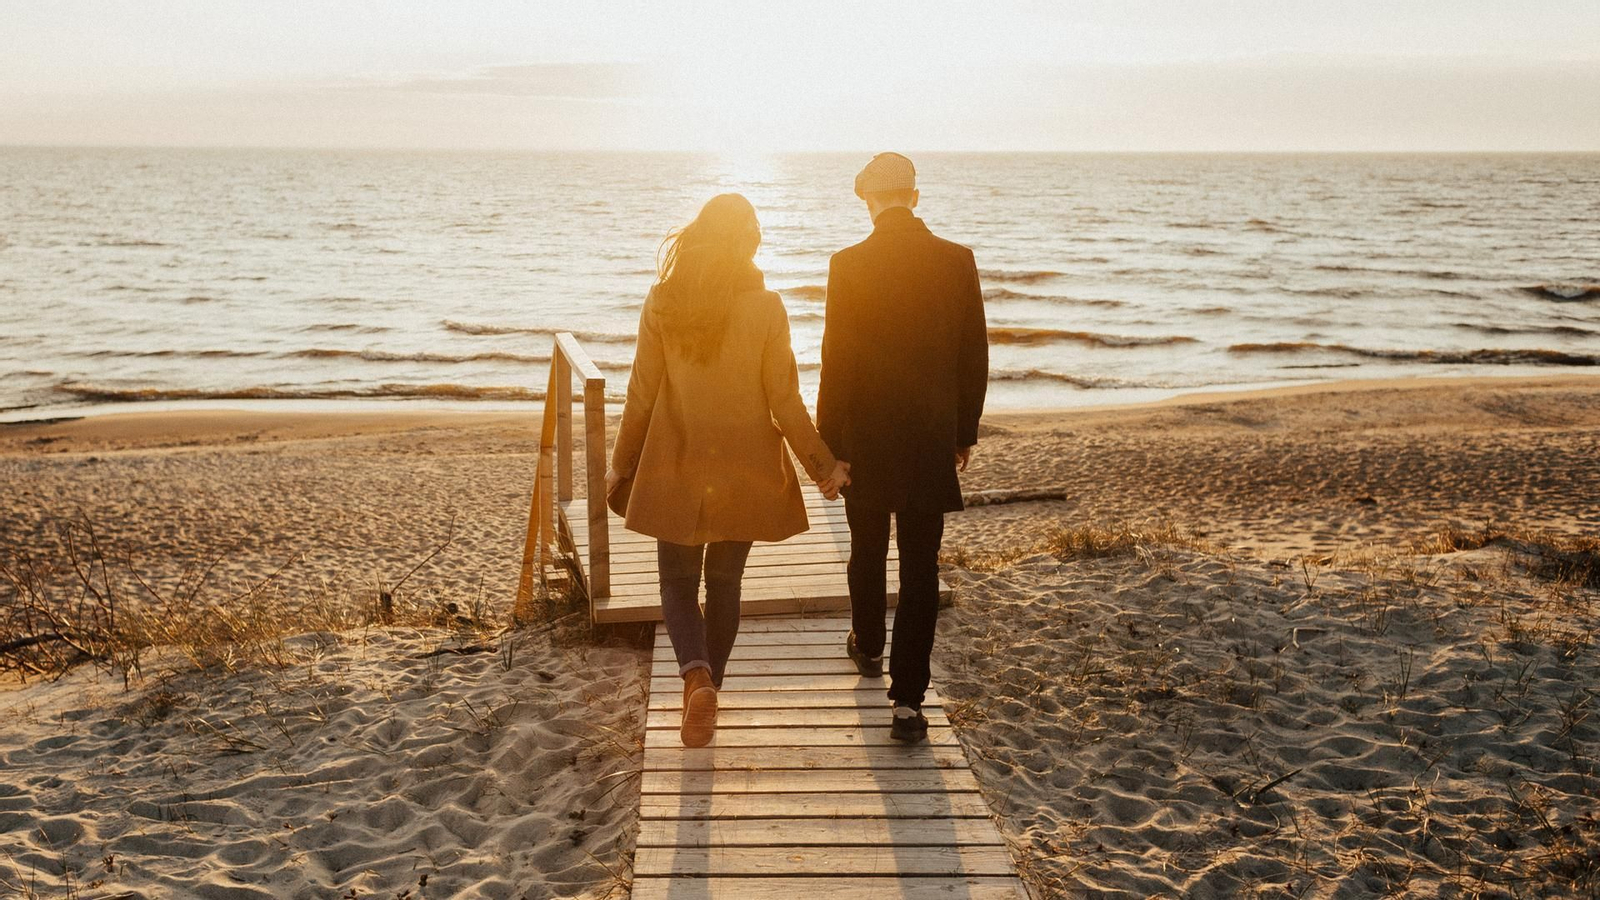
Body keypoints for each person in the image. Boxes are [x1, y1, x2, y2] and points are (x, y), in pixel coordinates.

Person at [606, 193, 850, 748]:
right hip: (745, 468)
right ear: (749, 245)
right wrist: (823, 465)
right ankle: (709, 685)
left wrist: (621, 465)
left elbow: (641, 392)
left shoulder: (664, 301)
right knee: (725, 584)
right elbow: (784, 401)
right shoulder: (768, 307)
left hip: (675, 462)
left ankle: (696, 680)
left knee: (675, 581)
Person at [818, 152, 989, 742]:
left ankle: (868, 645)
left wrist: (829, 447)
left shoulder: (847, 264)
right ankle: (909, 703)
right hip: (928, 436)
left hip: (864, 437)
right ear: (914, 197)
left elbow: (836, 363)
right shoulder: (956, 260)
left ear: (868, 201)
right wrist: (962, 432)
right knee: (920, 567)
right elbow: (973, 355)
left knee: (866, 550)